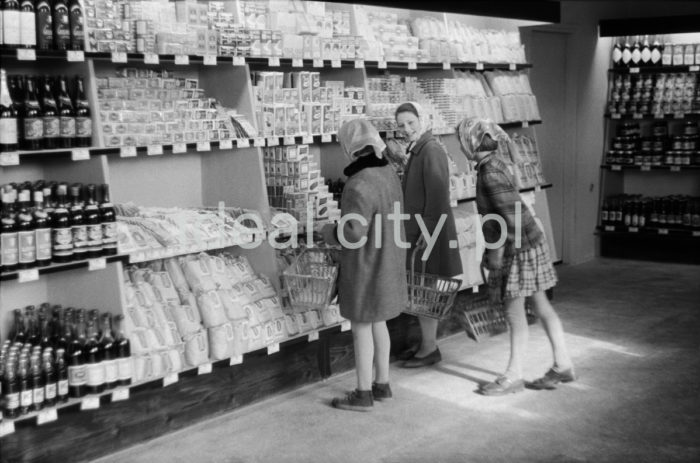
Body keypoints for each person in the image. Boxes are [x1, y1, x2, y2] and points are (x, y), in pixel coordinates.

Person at [456, 116, 575, 395]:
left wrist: (495, 253)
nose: (461, 146)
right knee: (541, 305)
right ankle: (563, 364)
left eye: (461, 139)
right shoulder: (495, 163)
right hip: (530, 241)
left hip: (517, 246)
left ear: (471, 142)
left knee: (513, 310)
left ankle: (513, 376)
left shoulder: (489, 173)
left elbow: (508, 216)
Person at [321, 119, 408, 412]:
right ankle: (382, 384)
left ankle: (362, 392)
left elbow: (354, 232)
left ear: (349, 147)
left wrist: (329, 232)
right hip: (389, 260)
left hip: (366, 266)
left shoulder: (358, 183)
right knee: (379, 322)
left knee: (360, 327)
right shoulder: (388, 173)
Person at [395, 102, 462, 368]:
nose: (407, 129)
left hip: (429, 233)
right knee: (423, 289)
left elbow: (437, 196)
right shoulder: (419, 149)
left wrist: (428, 231)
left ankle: (430, 348)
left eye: (411, 122)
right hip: (422, 231)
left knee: (428, 291)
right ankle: (425, 345)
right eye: (401, 125)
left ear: (423, 120)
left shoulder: (431, 149)